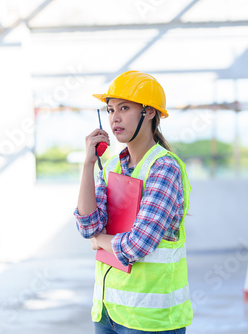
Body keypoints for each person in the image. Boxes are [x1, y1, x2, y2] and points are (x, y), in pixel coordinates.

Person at [73, 71, 193, 333]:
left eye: (124, 108)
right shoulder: (114, 165)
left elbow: (136, 245)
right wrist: (89, 164)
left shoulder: (164, 168)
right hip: (108, 313)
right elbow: (88, 227)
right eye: (110, 109)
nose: (115, 117)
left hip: (150, 320)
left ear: (149, 112)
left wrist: (100, 242)